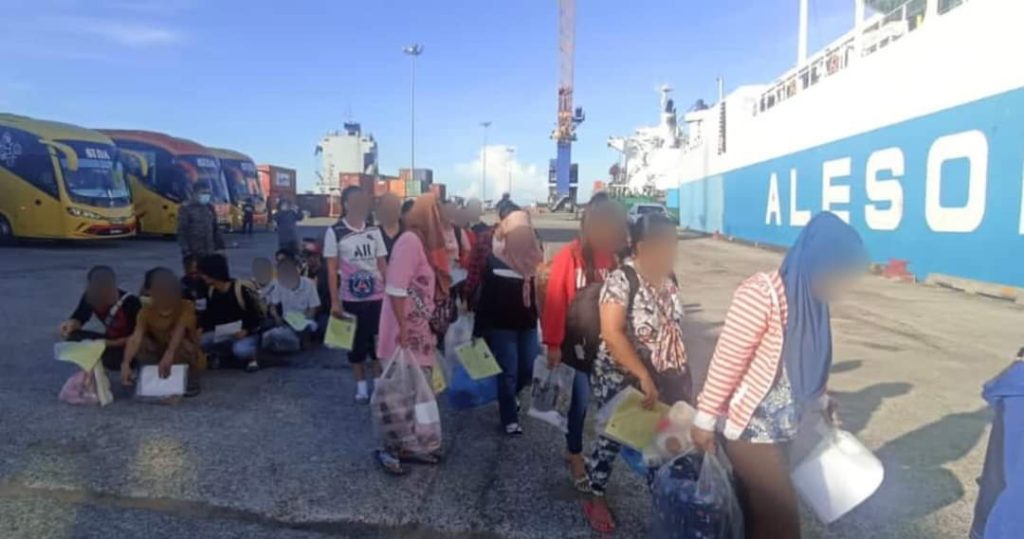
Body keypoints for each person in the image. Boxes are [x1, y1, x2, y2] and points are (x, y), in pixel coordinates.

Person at [690, 212, 866, 539]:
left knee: (754, 515)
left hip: (784, 428)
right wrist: (704, 419)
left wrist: (821, 398)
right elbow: (728, 359)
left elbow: (808, 359)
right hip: (749, 431)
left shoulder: (813, 300)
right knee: (782, 523)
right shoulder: (762, 293)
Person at [582, 213, 692, 533]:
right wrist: (642, 375)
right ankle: (596, 496)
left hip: (662, 376)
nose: (671, 250)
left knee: (664, 443)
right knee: (611, 441)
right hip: (620, 377)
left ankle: (663, 502)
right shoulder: (621, 280)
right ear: (643, 246)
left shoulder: (669, 278)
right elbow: (612, 334)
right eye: (665, 243)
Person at [541, 194, 626, 492]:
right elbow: (555, 302)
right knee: (578, 404)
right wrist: (553, 343)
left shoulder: (615, 259)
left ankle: (588, 453)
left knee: (605, 405)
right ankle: (575, 454)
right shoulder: (570, 256)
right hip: (575, 348)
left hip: (605, 350)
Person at [375, 193, 450, 474]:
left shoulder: (423, 244)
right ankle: (390, 449)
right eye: (438, 213)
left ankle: (411, 446)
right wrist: (404, 330)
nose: (443, 219)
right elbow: (396, 288)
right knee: (397, 396)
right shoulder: (409, 242)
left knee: (418, 394)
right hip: (403, 334)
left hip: (419, 333)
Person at [474, 210, 544, 435]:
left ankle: (511, 395)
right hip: (502, 327)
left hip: (528, 325)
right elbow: (485, 298)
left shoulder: (536, 258)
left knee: (528, 368)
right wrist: (478, 331)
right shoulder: (495, 259)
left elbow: (542, 296)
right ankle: (509, 418)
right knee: (508, 372)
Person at [324, 185, 389, 403]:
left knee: (378, 343)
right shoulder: (335, 232)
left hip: (377, 297)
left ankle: (379, 384)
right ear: (346, 204)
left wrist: (390, 293)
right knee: (355, 344)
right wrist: (335, 301)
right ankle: (361, 386)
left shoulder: (374, 231)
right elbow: (331, 270)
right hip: (351, 298)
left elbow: (382, 264)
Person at [120, 268, 202, 396]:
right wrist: (126, 363)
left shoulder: (186, 306)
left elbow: (179, 330)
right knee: (142, 343)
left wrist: (169, 353)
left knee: (182, 344)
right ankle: (152, 377)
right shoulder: (145, 312)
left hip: (183, 352)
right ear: (149, 291)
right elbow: (135, 338)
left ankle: (188, 378)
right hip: (159, 352)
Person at [58, 266, 142, 371]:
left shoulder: (130, 302)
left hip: (128, 345)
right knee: (73, 337)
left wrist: (106, 343)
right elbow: (80, 317)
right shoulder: (90, 297)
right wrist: (70, 325)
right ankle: (96, 359)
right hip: (109, 340)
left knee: (110, 357)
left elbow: (138, 335)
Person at [196, 254, 264, 372]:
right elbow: (210, 317)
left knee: (241, 350)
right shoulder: (211, 292)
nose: (202, 277)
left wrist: (246, 330)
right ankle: (226, 355)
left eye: (203, 274)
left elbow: (257, 316)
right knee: (202, 341)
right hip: (226, 332)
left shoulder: (240, 289)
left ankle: (255, 356)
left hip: (246, 332)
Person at [262, 254, 321, 353]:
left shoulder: (309, 284)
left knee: (305, 329)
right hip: (287, 320)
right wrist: (277, 317)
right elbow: (273, 305)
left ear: (299, 269)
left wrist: (303, 321)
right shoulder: (280, 283)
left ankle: (298, 342)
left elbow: (313, 309)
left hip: (304, 320)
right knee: (267, 327)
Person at [177, 181, 225, 259]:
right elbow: (182, 232)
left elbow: (216, 229)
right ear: (195, 193)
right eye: (203, 193)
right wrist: (186, 251)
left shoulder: (210, 207)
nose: (206, 195)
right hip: (194, 253)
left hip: (210, 252)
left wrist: (220, 247)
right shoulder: (186, 208)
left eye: (208, 193)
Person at [301, 239, 332, 342]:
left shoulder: (325, 273)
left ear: (317, 256)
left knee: (320, 330)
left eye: (310, 256)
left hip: (323, 311)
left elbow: (321, 298)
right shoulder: (304, 271)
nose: (307, 259)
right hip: (305, 309)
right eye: (306, 256)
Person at [376, 193, 403, 263]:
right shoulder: (373, 234)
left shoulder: (408, 232)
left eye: (394, 207)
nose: (391, 211)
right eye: (388, 207)